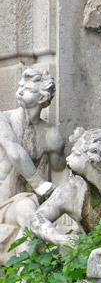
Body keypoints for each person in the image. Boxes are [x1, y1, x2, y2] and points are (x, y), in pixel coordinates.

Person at [0, 68, 65, 262]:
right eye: (20, 86)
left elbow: (60, 174)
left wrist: (64, 208)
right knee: (28, 208)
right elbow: (15, 153)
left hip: (28, 203)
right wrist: (38, 183)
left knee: (28, 225)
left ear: (42, 97)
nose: (20, 91)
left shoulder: (51, 135)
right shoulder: (4, 120)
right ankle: (55, 242)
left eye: (27, 89)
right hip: (4, 203)